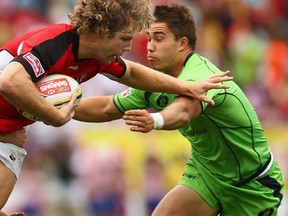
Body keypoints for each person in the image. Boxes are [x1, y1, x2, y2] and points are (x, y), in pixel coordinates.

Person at [0, 1, 233, 215]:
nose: (129, 47)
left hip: (9, 130)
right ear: (103, 31)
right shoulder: (55, 42)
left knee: (17, 138)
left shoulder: (96, 57)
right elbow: (10, 81)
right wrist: (54, 116)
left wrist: (186, 87)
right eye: (124, 38)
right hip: (8, 123)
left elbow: (132, 73)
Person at [74, 3, 284, 216]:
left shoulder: (202, 75)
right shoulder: (155, 82)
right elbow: (107, 107)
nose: (149, 46)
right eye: (148, 38)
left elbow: (184, 110)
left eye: (159, 38)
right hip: (207, 173)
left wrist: (154, 120)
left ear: (182, 43)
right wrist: (53, 108)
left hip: (251, 183)